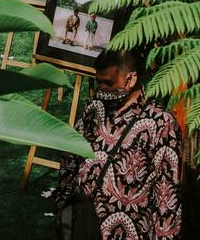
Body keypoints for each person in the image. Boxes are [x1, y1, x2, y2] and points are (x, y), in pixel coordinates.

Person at [55, 48, 182, 239]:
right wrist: (62, 202)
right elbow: (70, 156)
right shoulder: (94, 107)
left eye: (108, 82)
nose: (102, 89)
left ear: (130, 79)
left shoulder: (161, 123)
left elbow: (167, 196)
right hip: (80, 223)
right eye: (99, 82)